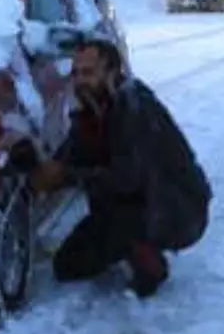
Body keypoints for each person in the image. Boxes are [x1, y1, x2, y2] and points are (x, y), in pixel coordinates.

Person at [30, 37, 212, 298]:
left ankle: (149, 261)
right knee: (67, 266)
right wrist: (41, 166)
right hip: (141, 201)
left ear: (112, 72)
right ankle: (127, 240)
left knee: (121, 206)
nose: (80, 80)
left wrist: (66, 175)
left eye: (89, 72)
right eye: (76, 73)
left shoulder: (135, 108)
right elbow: (74, 151)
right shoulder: (96, 106)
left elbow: (128, 179)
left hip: (178, 210)